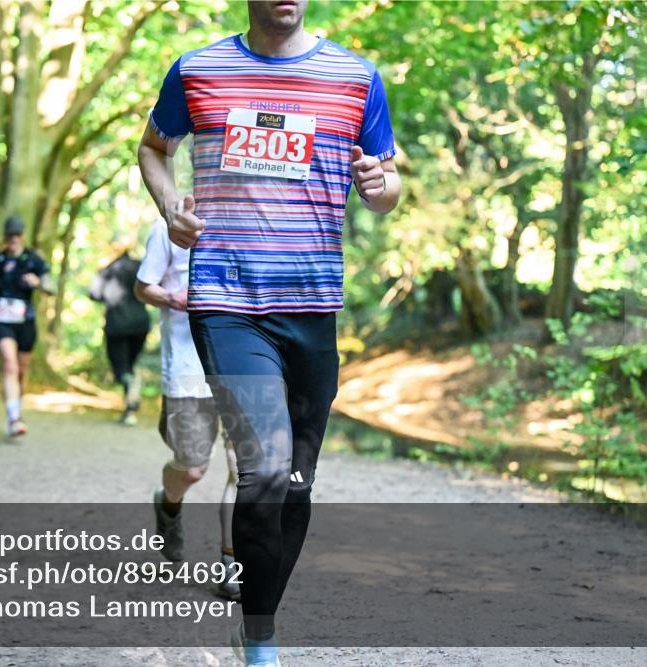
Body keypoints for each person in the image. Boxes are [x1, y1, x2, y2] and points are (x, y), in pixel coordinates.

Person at [137, 1, 401, 664]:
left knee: (296, 484)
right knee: (261, 470)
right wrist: (171, 205)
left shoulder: (357, 77)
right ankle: (261, 640)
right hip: (226, 301)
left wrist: (381, 182)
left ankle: (256, 615)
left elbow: (386, 181)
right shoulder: (197, 70)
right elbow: (152, 148)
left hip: (313, 306)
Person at [134, 218, 240, 601]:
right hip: (188, 368)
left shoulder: (255, 221)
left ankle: (232, 567)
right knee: (192, 468)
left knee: (242, 468)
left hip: (243, 365)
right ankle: (168, 501)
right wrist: (173, 298)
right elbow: (143, 287)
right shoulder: (172, 224)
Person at [0, 216, 54, 437]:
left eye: (17, 235)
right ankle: (13, 418)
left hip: (25, 322)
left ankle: (16, 409)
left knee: (20, 371)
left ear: (22, 236)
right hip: (1, 321)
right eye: (10, 235)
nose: (14, 239)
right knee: (9, 364)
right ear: (5, 236)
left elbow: (50, 285)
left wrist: (38, 283)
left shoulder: (33, 259)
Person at [89, 245, 150, 425]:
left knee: (121, 369)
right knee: (130, 364)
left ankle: (132, 386)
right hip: (140, 323)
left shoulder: (108, 270)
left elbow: (94, 293)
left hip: (117, 325)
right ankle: (129, 409)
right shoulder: (140, 266)